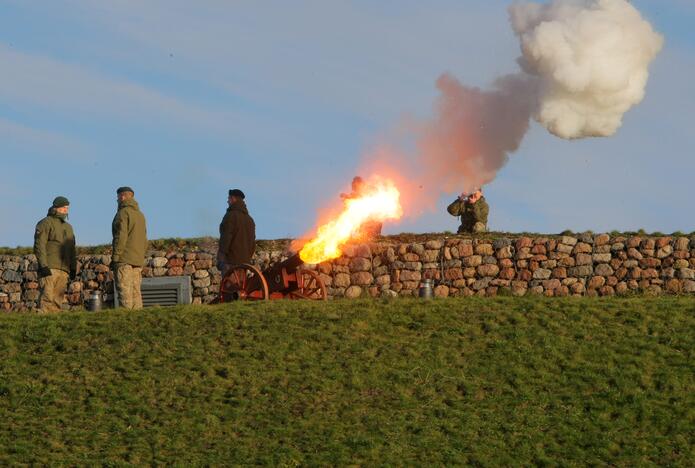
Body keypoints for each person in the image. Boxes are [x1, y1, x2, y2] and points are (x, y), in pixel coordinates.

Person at [33, 196, 77, 312]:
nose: (65, 210)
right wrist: (43, 265)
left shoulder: (69, 227)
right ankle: (41, 325)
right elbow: (39, 245)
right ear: (55, 207)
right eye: (63, 207)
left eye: (67, 208)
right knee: (47, 299)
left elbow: (72, 249)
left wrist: (73, 267)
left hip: (64, 270)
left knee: (58, 301)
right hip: (50, 267)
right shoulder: (45, 223)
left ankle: (53, 326)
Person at [111, 186, 147, 309]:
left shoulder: (123, 213)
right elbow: (144, 238)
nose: (117, 200)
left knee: (124, 292)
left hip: (124, 259)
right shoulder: (141, 215)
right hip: (137, 260)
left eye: (117, 197)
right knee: (136, 293)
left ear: (123, 196)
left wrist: (116, 257)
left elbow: (121, 237)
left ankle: (124, 319)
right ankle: (137, 321)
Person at [217, 189, 256, 275]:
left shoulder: (230, 216)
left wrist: (221, 258)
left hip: (230, 262)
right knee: (241, 287)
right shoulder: (250, 220)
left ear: (234, 199)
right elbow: (252, 243)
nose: (228, 201)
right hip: (245, 263)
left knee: (229, 287)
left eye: (229, 198)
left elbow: (225, 239)